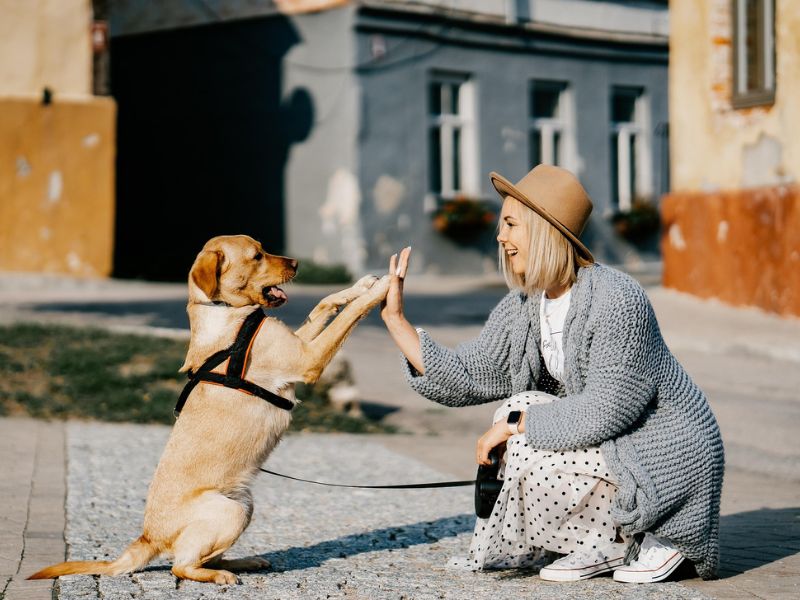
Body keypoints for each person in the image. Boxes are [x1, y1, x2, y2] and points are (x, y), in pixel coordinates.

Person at [380, 165, 724, 583]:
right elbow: (470, 374)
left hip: (664, 453)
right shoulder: (526, 304)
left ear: (545, 230)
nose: (500, 236)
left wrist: (515, 425)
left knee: (520, 424)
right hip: (612, 444)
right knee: (518, 409)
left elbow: (606, 409)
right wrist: (396, 321)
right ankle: (598, 542)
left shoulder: (617, 298)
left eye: (511, 224)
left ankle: (650, 535)